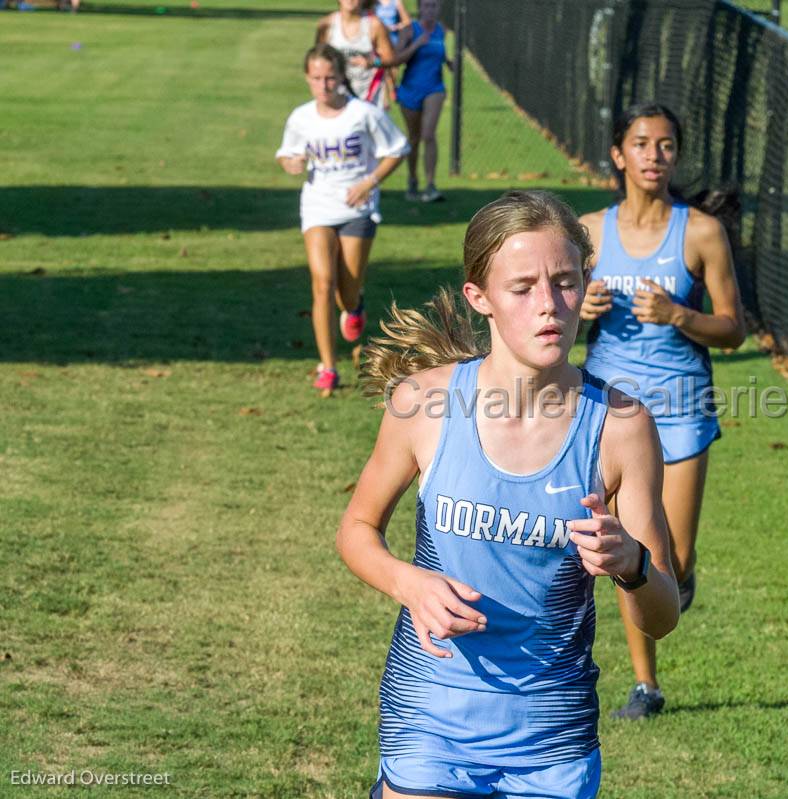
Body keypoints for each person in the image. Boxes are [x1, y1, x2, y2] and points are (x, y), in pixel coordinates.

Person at [338, 190, 680, 798]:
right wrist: (407, 582)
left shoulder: (622, 428)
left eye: (566, 282)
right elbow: (357, 530)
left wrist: (631, 564)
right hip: (429, 716)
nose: (549, 305)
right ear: (480, 297)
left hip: (551, 736)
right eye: (522, 288)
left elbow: (662, 616)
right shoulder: (425, 403)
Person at [579, 102, 747, 719]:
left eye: (667, 145)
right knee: (634, 550)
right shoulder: (589, 233)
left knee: (671, 562)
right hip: (613, 411)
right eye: (642, 144)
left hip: (681, 409)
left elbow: (734, 331)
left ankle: (682, 575)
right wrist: (580, 312)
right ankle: (645, 686)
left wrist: (680, 315)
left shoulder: (701, 232)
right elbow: (545, 325)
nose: (655, 155)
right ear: (619, 155)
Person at [275, 45, 410, 394]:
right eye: (317, 78)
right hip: (318, 206)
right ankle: (328, 366)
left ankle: (354, 306)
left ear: (341, 77)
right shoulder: (301, 117)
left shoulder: (362, 114)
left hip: (357, 208)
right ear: (307, 79)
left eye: (330, 77)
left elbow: (398, 149)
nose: (324, 85)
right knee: (322, 284)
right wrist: (291, 163)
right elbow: (288, 155)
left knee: (346, 291)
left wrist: (369, 182)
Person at [394, 0, 453, 202]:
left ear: (439, 9)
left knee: (428, 134)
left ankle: (430, 185)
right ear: (420, 8)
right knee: (414, 137)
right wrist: (417, 45)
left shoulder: (441, 30)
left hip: (434, 88)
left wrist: (449, 62)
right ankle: (412, 180)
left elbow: (440, 53)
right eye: (427, 6)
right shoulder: (410, 30)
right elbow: (396, 58)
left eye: (434, 6)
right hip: (410, 90)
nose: (430, 10)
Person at [316, 0, 402, 107]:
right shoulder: (327, 24)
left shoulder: (374, 25)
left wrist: (372, 62)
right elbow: (317, 59)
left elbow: (391, 59)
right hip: (338, 96)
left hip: (369, 97)